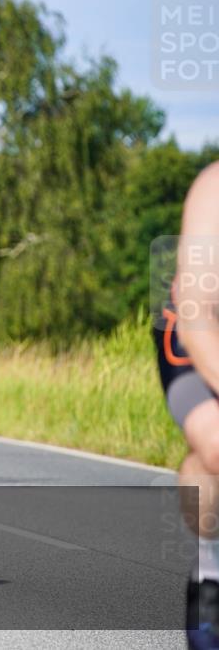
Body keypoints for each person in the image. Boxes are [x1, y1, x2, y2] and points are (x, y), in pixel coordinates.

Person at [153, 161, 219, 648]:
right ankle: (212, 567)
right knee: (216, 447)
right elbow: (197, 317)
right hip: (197, 331)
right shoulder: (213, 189)